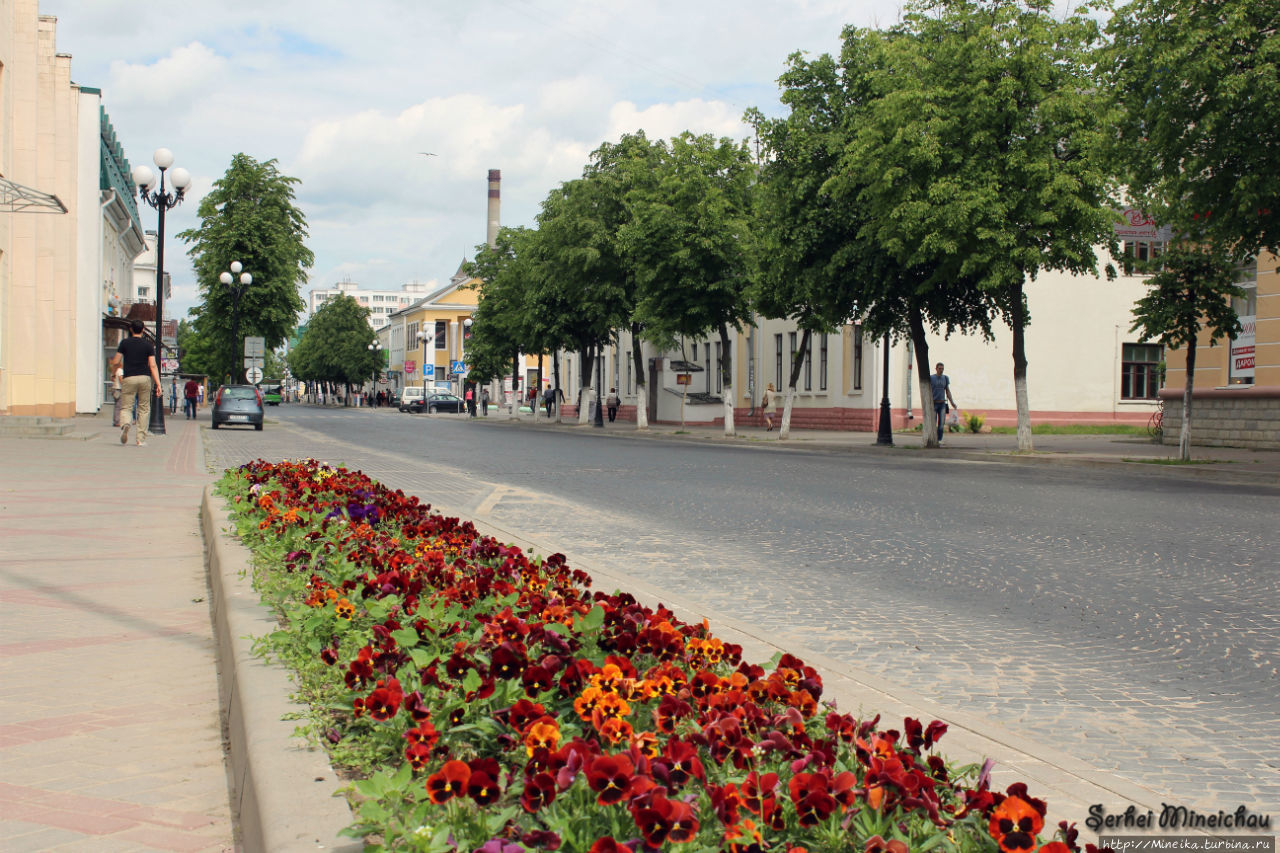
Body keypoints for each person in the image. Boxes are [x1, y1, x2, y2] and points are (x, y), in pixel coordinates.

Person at [109, 319, 162, 446]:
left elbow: (116, 361)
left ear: (131, 329)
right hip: (144, 378)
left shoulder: (124, 343)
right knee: (143, 409)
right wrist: (158, 383)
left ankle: (126, 424)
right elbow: (153, 365)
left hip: (129, 378)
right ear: (143, 330)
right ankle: (140, 439)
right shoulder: (148, 345)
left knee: (126, 406)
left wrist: (113, 372)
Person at [929, 362, 958, 444]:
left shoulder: (945, 378)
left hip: (942, 404)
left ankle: (939, 439)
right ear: (936, 369)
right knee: (933, 423)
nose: (941, 370)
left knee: (941, 424)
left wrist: (952, 402)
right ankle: (933, 439)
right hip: (934, 403)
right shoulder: (931, 378)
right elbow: (928, 390)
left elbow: (947, 391)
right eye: (939, 369)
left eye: (942, 369)